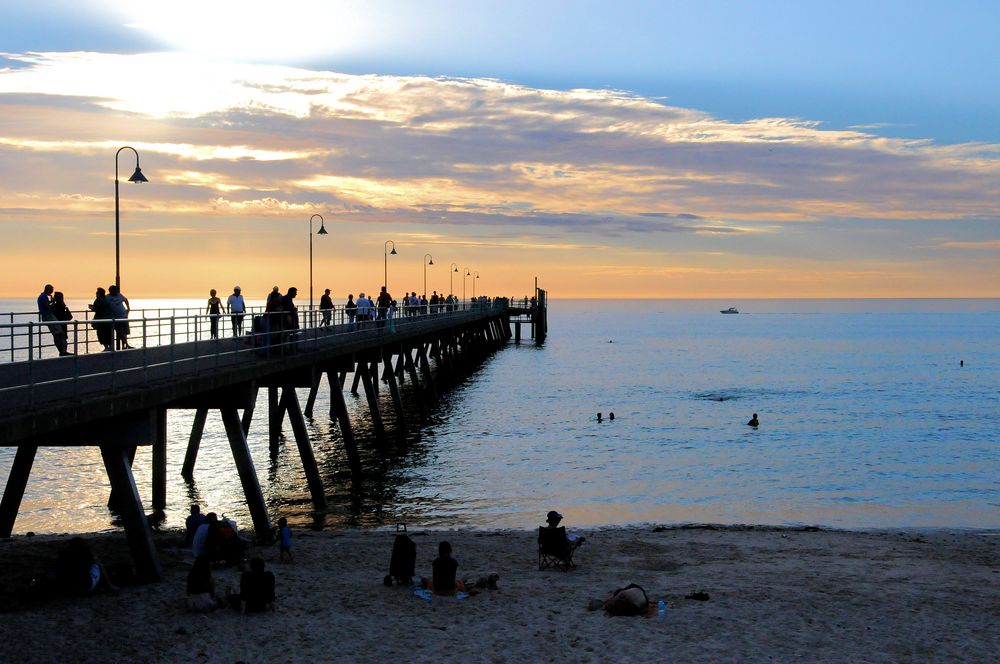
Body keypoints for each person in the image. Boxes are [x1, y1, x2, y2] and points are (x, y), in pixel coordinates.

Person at [106, 284, 132, 349]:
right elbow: (104, 305)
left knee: (125, 332)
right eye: (112, 291)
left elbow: (126, 300)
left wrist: (128, 308)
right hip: (116, 318)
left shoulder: (119, 295)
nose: (114, 292)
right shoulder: (107, 298)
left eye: (115, 291)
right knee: (120, 332)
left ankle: (124, 346)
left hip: (124, 316)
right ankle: (127, 344)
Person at [89, 287, 114, 351]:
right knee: (108, 333)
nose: (96, 294)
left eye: (97, 293)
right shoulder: (107, 299)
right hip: (109, 319)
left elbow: (96, 309)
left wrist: (91, 307)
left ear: (99, 294)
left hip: (101, 320)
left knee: (101, 334)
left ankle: (106, 347)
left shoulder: (98, 300)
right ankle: (111, 347)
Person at [49, 291, 73, 355]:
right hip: (63, 323)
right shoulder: (63, 305)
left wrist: (52, 302)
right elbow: (69, 316)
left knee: (57, 337)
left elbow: (50, 310)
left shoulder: (55, 306)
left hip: (58, 323)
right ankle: (64, 351)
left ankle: (62, 352)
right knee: (63, 338)